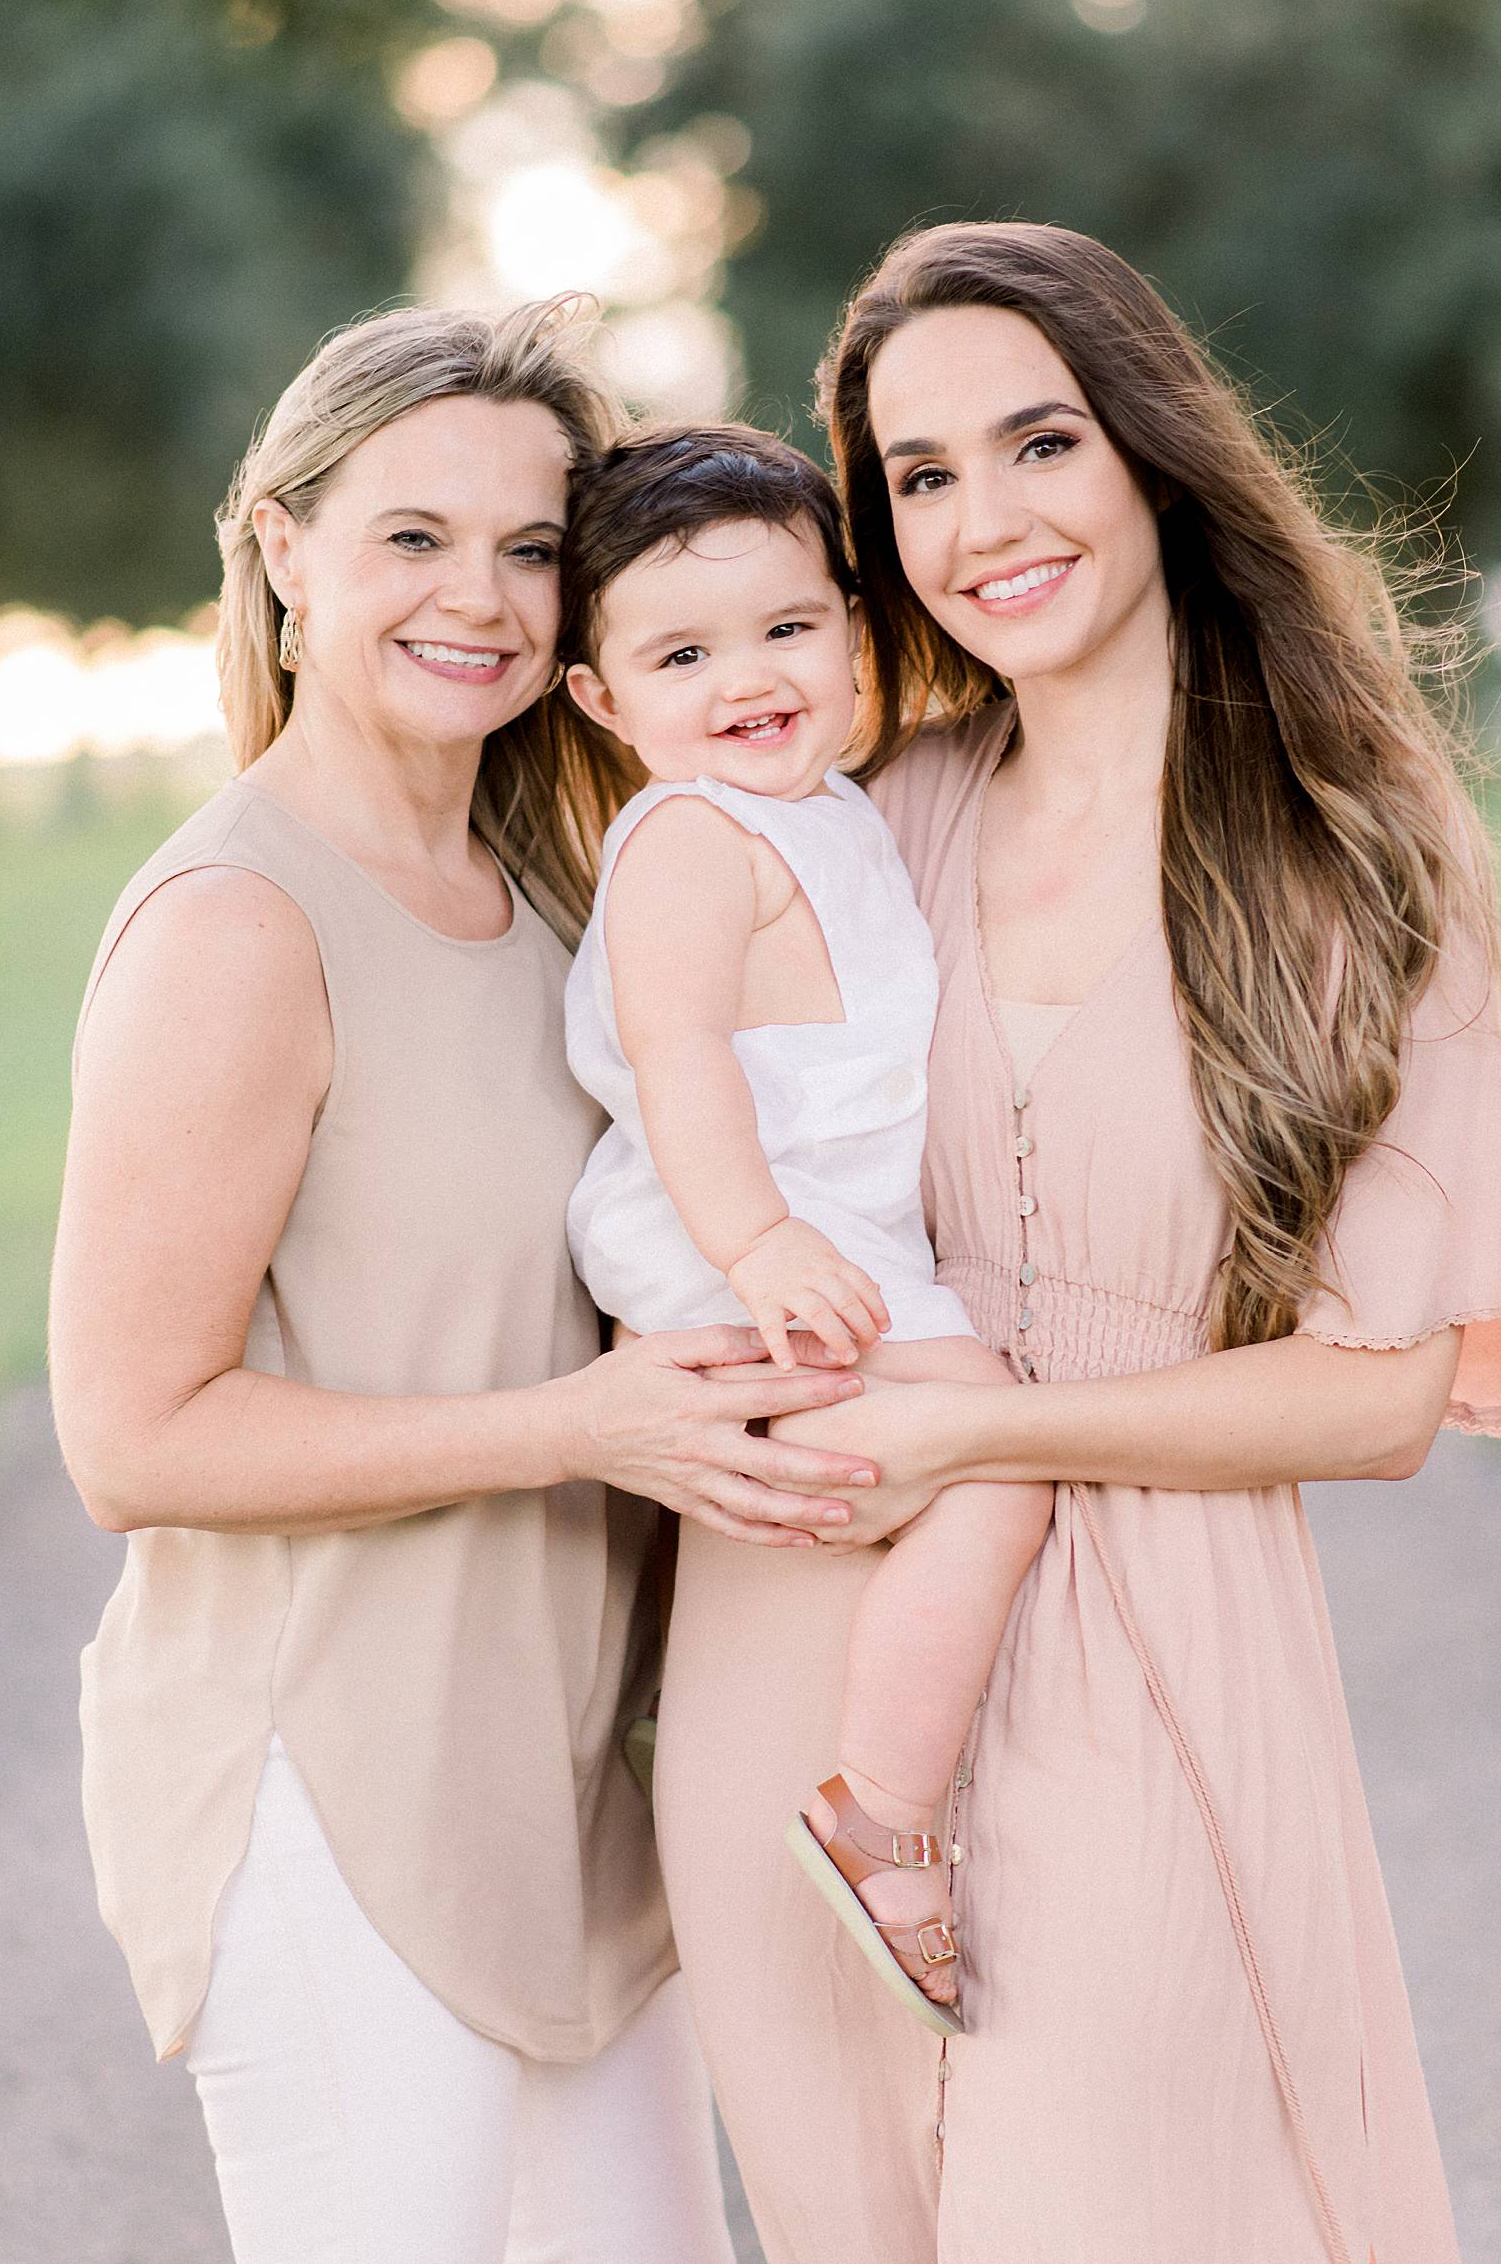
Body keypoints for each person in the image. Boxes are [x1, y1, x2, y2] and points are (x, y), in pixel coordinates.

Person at [652, 224, 1501, 2264]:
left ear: (1152, 452)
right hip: (803, 1648)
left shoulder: (1347, 843)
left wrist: (971, 1443)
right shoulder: (856, 818)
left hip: (1150, 1649)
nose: (981, 519)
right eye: (916, 476)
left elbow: (1381, 1398)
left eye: (1036, 441)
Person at [48, 301, 883, 2264]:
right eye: (411, 535)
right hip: (335, 1778)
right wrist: (579, 1424)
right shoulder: (239, 917)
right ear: (282, 546)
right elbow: (127, 1435)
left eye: (528, 548)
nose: (479, 595)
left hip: (568, 1787)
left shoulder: (564, 892)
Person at [558, 424, 1051, 2033]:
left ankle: (891, 1779)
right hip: (737, 1244)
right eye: (682, 651)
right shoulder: (691, 839)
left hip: (820, 1233)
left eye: (785, 627)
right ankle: (884, 1811)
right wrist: (760, 1243)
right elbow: (680, 1056)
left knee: (979, 1458)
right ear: (600, 701)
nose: (746, 675)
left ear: (851, 631)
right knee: (998, 1460)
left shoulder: (830, 806)